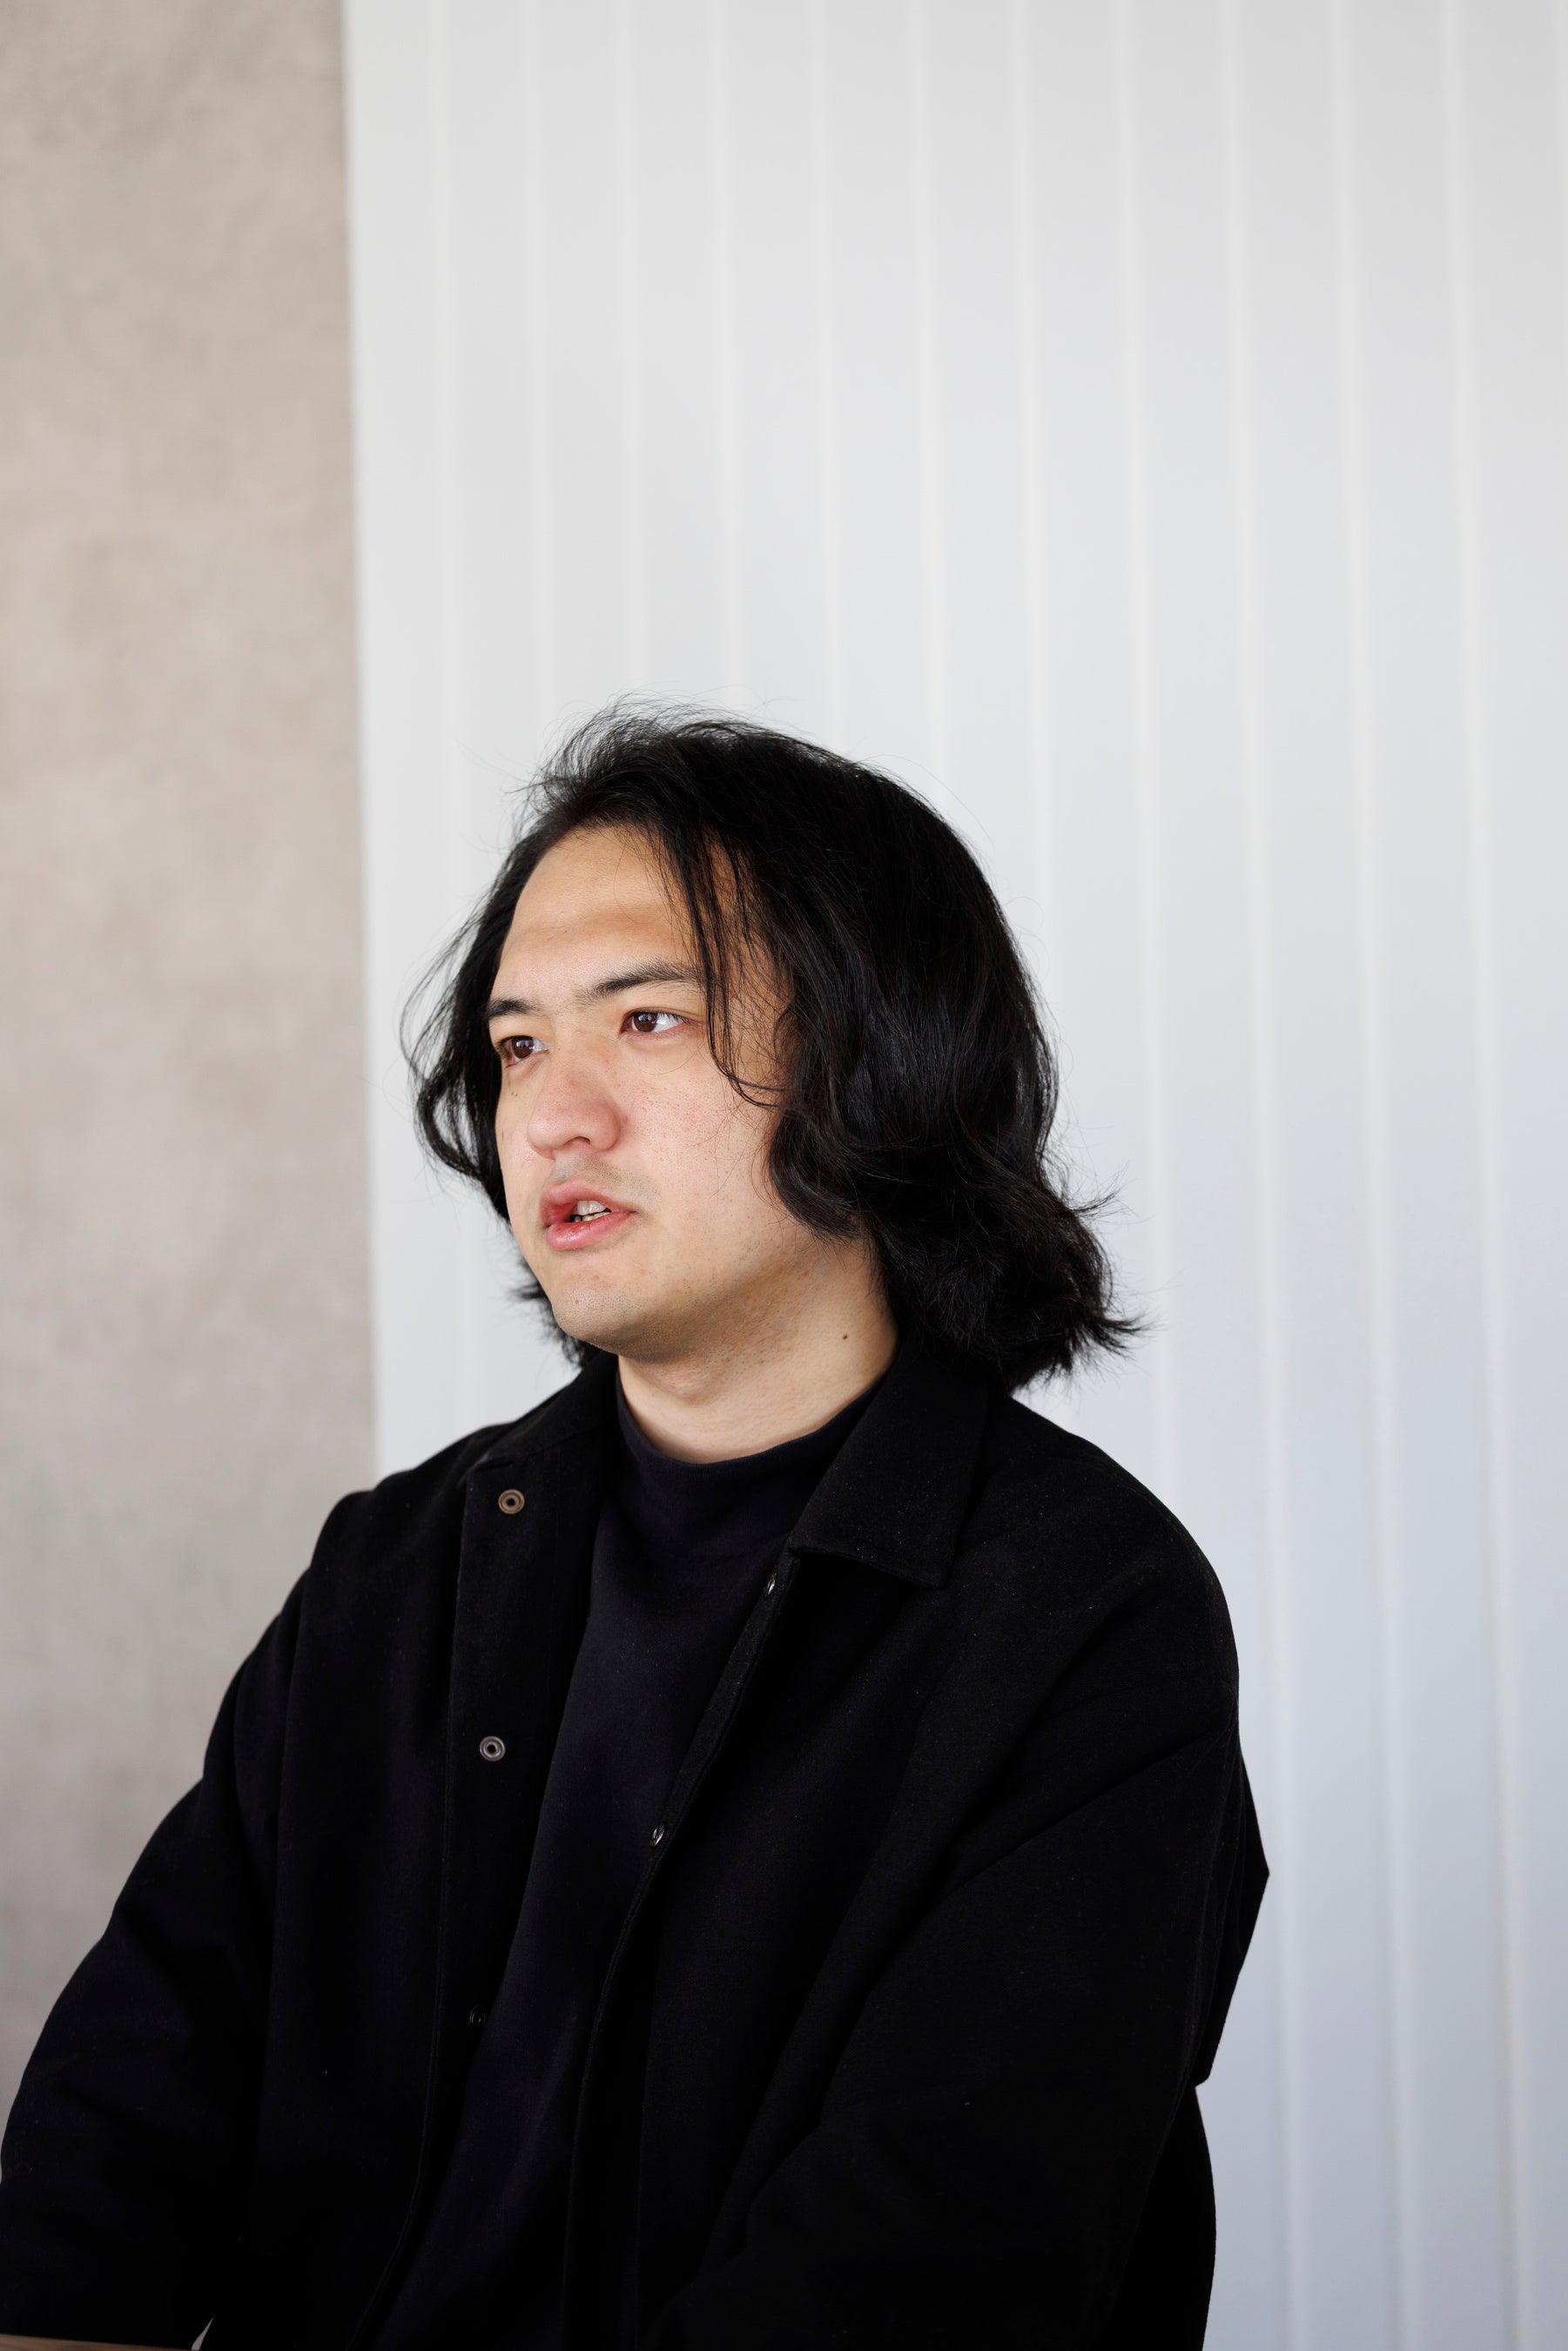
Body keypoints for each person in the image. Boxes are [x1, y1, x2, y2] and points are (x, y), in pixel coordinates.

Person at [0, 709, 1266, 2349]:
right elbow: (106, 2164)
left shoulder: (1084, 1611)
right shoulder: (395, 1572)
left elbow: (925, 2272)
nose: (549, 1117)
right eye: (519, 1046)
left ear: (880, 1056)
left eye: (646, 1019)